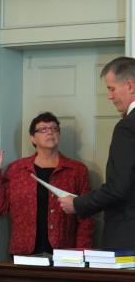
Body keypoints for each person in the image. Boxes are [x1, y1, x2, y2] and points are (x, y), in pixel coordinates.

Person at [0, 112, 94, 256]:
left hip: (65, 254)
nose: (50, 132)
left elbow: (86, 216)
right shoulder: (17, 169)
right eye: (43, 129)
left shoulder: (77, 170)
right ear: (33, 138)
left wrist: (82, 253)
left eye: (54, 128)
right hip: (24, 252)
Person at [59, 56, 135, 250]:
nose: (109, 96)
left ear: (130, 86)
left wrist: (77, 204)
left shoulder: (127, 127)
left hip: (128, 236)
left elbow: (118, 188)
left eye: (111, 88)